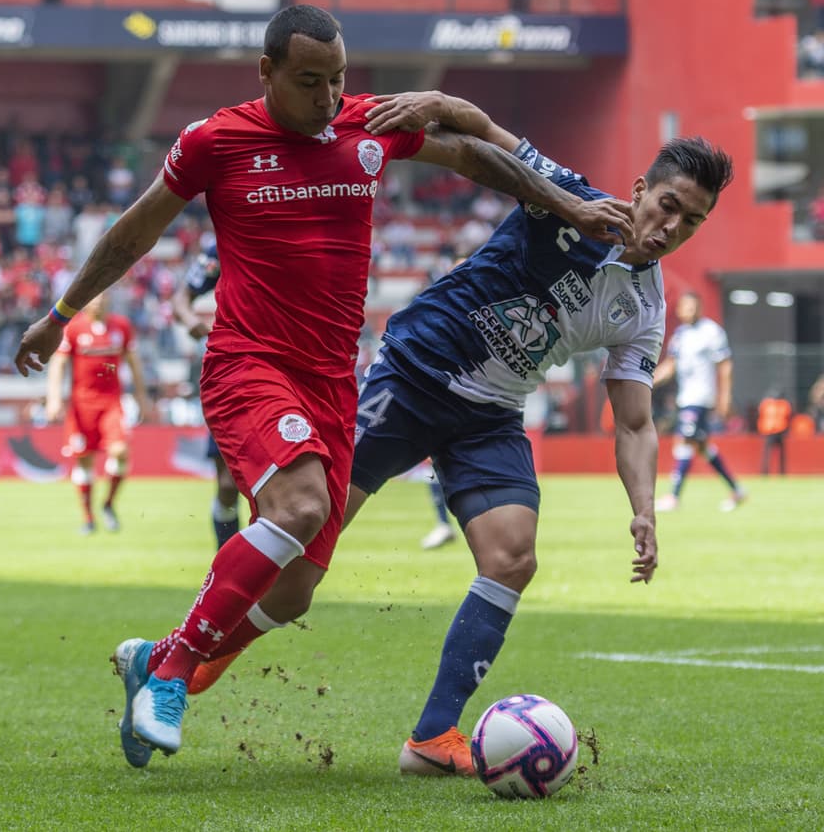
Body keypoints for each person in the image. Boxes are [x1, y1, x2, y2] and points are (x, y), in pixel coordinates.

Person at [13, 4, 633, 767]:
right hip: (250, 362)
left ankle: (159, 654)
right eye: (309, 81)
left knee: (295, 592)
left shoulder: (365, 123)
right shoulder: (216, 141)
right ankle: (172, 675)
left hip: (333, 384)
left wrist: (567, 205)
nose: (327, 97)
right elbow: (136, 229)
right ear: (266, 72)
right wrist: (61, 313)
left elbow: (477, 157)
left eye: (338, 79)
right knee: (300, 505)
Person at [191, 116, 733, 774]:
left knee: (512, 556)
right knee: (297, 574)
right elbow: (482, 133)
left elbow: (635, 422)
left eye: (692, 221)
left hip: (491, 413)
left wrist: (643, 508)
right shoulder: (568, 197)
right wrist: (431, 99)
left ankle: (431, 737)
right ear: (643, 190)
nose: (672, 227)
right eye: (669, 205)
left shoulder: (645, 309)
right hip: (413, 373)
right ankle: (202, 647)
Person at [45, 289, 149, 534]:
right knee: (85, 461)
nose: (99, 301)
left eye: (103, 297)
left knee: (120, 451)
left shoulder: (121, 327)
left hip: (112, 403)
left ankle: (109, 504)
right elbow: (58, 363)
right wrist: (53, 398)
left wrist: (142, 397)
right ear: (86, 302)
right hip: (82, 406)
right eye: (94, 297)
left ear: (109, 301)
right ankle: (88, 517)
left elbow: (134, 362)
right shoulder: (74, 328)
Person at [170, 243, 243, 549]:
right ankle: (226, 560)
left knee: (278, 489)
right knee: (228, 485)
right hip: (231, 373)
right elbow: (180, 301)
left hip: (283, 368)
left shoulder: (292, 239)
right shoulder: (220, 250)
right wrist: (192, 323)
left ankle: (266, 575)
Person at [653, 291, 746, 511]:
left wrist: (725, 396)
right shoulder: (680, 335)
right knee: (701, 446)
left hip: (701, 396)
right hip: (685, 398)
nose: (689, 311)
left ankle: (673, 497)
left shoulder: (711, 331)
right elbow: (670, 365)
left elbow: (725, 364)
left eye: (693, 307)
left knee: (685, 440)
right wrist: (647, 379)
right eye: (685, 307)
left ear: (700, 308)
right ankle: (737, 490)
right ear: (679, 310)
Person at [757, 387, 792, 475]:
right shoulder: (781, 404)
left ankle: (777, 472)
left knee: (771, 453)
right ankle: (770, 471)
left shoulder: (767, 404)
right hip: (773, 431)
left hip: (775, 431)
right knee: (770, 454)